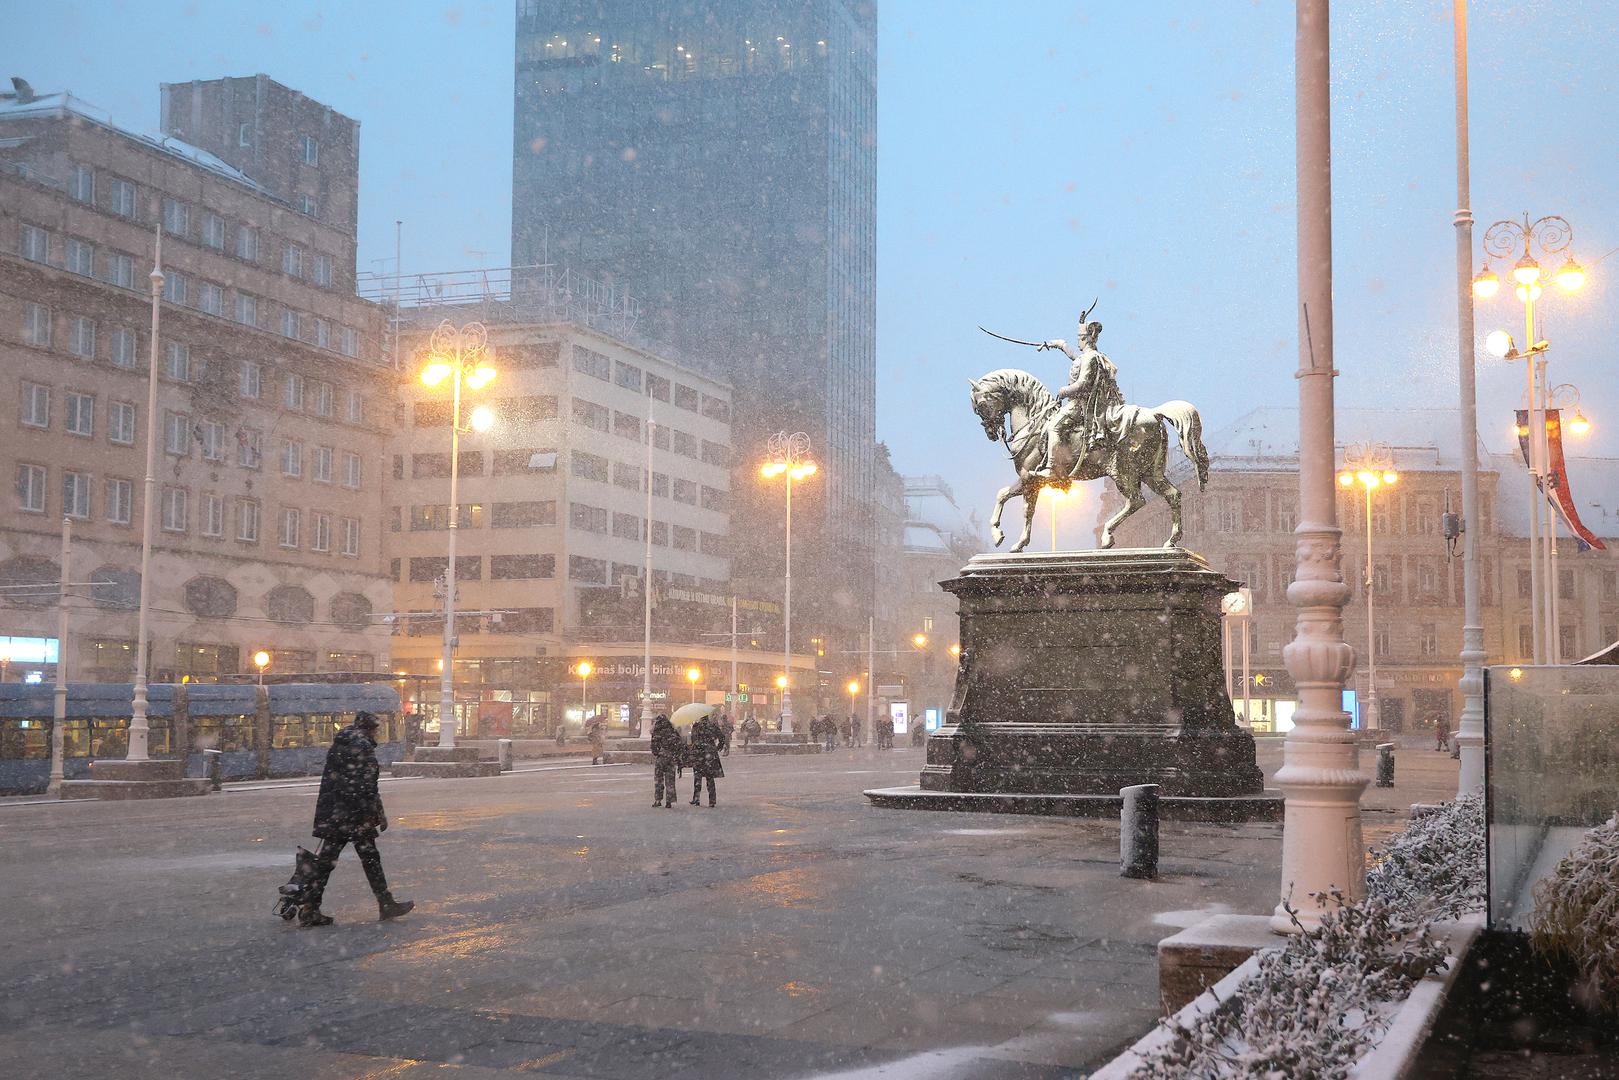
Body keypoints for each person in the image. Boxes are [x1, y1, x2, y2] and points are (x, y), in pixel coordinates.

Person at [298, 711, 413, 927]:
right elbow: (366, 785)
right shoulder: (363, 746)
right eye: (376, 729)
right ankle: (385, 903)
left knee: (326, 862)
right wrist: (374, 813)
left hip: (336, 812)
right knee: (370, 860)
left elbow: (343, 781)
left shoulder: (342, 743)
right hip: (354, 815)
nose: (377, 733)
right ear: (370, 729)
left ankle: (310, 907)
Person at [1033, 305, 1126, 483]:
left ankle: (1051, 467)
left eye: (1080, 338)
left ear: (1085, 339)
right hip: (1079, 404)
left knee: (1053, 427)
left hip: (1080, 406)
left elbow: (1083, 384)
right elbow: (1073, 354)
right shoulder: (1090, 356)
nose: (1077, 342)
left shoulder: (1090, 358)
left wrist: (1064, 391)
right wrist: (1056, 344)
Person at [688, 709, 725, 807]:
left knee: (697, 777)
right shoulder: (712, 726)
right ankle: (712, 800)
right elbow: (722, 737)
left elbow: (692, 740)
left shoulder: (696, 726)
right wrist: (717, 747)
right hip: (710, 754)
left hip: (699, 754)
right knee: (710, 778)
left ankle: (696, 799)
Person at [649, 714, 681, 808]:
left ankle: (658, 800)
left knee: (659, 779)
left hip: (661, 758)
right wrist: (675, 754)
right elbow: (679, 744)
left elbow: (654, 746)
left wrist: (658, 753)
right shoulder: (673, 732)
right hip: (671, 759)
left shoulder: (657, 732)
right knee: (670, 780)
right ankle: (669, 801)